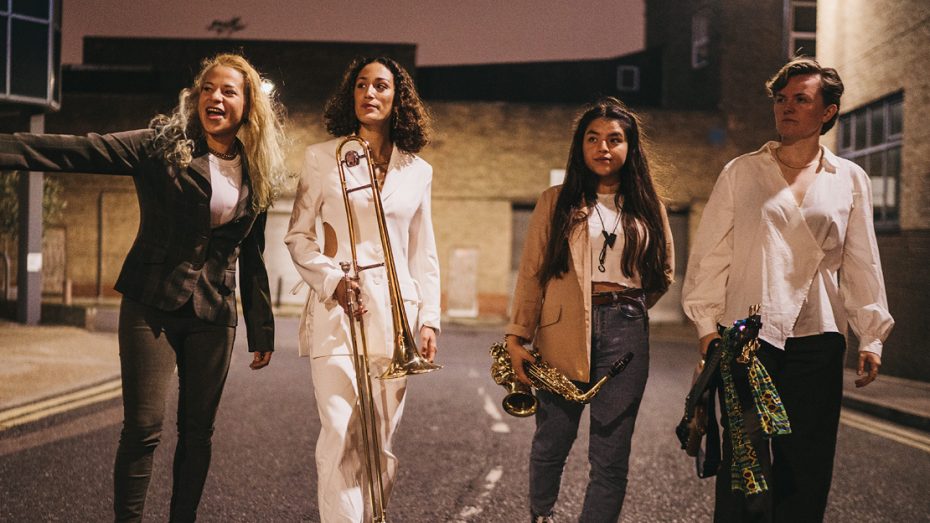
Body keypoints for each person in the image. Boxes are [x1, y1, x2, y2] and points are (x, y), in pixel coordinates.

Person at [0, 53, 287, 522]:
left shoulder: (256, 168)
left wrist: (262, 330)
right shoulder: (162, 146)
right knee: (142, 428)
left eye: (228, 91)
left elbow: (252, 254)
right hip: (151, 303)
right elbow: (81, 150)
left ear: (249, 105)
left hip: (214, 314)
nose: (215, 97)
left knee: (198, 433)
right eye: (208, 88)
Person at [681, 57, 894, 522]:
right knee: (745, 464)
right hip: (747, 338)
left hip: (819, 337)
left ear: (828, 111)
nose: (787, 107)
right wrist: (706, 327)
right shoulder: (741, 172)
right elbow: (711, 254)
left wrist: (871, 334)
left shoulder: (849, 178)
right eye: (781, 99)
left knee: (807, 465)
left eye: (801, 99)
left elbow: (862, 260)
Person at [284, 56, 440, 522]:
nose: (370, 93)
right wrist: (331, 280)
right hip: (337, 312)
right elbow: (298, 236)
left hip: (397, 316)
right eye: (361, 85)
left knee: (378, 443)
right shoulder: (322, 157)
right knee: (339, 433)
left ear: (398, 98)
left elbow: (423, 250)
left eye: (381, 86)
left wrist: (429, 319)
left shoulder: (418, 170)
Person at [505, 97, 674, 523]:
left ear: (630, 147)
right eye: (593, 138)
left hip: (626, 332)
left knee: (611, 456)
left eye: (614, 139)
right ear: (580, 146)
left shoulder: (647, 204)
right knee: (552, 441)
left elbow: (663, 273)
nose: (603, 147)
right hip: (562, 331)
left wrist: (627, 306)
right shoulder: (555, 201)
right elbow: (532, 274)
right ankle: (541, 515)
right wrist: (517, 336)